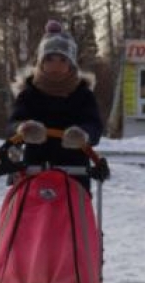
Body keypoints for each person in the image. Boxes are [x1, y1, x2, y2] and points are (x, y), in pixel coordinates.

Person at [9, 21, 103, 189]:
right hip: (34, 171)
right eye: (50, 59)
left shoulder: (83, 95)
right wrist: (23, 130)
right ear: (41, 62)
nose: (56, 66)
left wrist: (83, 134)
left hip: (75, 174)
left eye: (62, 60)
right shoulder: (29, 94)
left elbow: (94, 125)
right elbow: (13, 123)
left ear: (71, 64)